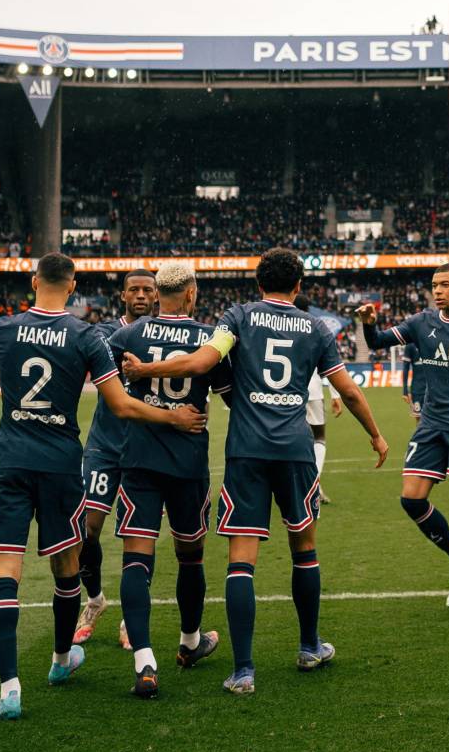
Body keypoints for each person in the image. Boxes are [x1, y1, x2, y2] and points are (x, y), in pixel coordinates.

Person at [124, 247, 388, 695]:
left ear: (259, 283)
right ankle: (309, 647)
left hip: (247, 451)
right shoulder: (316, 328)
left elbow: (203, 363)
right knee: (304, 548)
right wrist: (376, 435)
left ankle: (243, 670)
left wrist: (146, 368)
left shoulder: (239, 316)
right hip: (295, 449)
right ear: (299, 286)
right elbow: (349, 390)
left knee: (241, 560)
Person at [0, 252, 206, 721]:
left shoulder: (5, 328)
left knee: (5, 571)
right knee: (66, 564)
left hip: (10, 461)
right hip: (60, 463)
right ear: (72, 287)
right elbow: (122, 405)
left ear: (35, 281)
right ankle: (60, 660)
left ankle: (10, 689)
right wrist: (173, 417)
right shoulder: (86, 335)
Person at [109, 262, 233, 698]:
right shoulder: (208, 340)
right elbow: (232, 396)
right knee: (190, 557)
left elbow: (109, 388)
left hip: (139, 459)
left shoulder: (128, 335)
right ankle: (190, 641)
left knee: (135, 560)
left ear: (157, 292)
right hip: (187, 463)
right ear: (192, 293)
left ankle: (144, 662)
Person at [357, 263, 449, 608]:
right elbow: (377, 342)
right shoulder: (421, 322)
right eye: (435, 285)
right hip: (431, 424)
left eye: (446, 284)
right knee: (411, 499)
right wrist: (369, 323)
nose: (438, 291)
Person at [73, 269, 157, 649]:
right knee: (86, 529)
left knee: (137, 536)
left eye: (147, 290)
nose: (140, 295)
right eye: (133, 289)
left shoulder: (164, 334)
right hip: (105, 446)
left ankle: (130, 617)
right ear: (122, 295)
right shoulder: (103, 333)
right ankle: (94, 600)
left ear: (156, 296)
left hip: (145, 448)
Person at [294, 293, 342, 504]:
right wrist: (335, 395)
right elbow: (330, 364)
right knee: (319, 437)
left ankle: (296, 484)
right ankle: (314, 482)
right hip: (313, 391)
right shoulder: (315, 328)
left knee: (293, 438)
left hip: (289, 392)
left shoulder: (282, 325)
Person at [401, 342, 426, 423]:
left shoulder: (431, 340)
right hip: (418, 390)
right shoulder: (410, 345)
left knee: (435, 419)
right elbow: (405, 368)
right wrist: (405, 391)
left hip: (433, 388)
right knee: (419, 419)